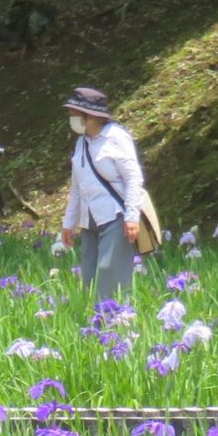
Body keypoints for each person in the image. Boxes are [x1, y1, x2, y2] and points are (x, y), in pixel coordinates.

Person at [58, 86, 149, 303]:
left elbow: (133, 179)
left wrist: (131, 217)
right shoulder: (81, 143)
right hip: (89, 220)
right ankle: (96, 325)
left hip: (115, 216)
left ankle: (116, 323)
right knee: (89, 276)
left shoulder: (117, 138)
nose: (71, 120)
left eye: (74, 115)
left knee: (110, 272)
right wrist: (68, 222)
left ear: (89, 116)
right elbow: (78, 186)